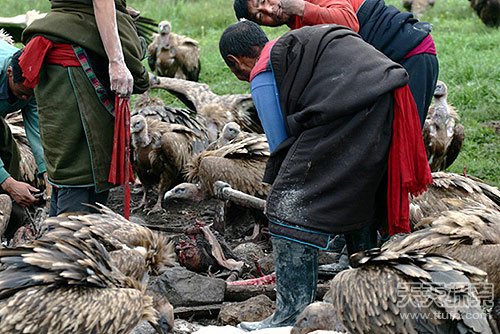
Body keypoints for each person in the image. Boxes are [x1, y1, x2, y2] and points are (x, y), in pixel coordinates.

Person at [219, 20, 432, 330]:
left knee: (286, 206)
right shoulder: (296, 44)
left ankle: (291, 313)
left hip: (353, 104)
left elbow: (279, 146)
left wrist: (286, 193)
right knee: (359, 195)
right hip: (387, 95)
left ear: (235, 63)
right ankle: (364, 297)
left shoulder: (264, 71)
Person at [18, 0, 150, 216]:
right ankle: (73, 241)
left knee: (73, 158)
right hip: (78, 52)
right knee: (79, 165)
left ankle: (63, 237)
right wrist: (117, 61)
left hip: (65, 45)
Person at [233, 0, 439, 127]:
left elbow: (349, 23)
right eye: (261, 15)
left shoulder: (307, 6)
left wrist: (301, 6)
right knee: (384, 135)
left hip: (412, 53)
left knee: (404, 138)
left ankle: (412, 196)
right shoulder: (298, 30)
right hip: (390, 67)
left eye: (265, 0)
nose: (270, 10)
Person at [0, 40, 48, 238]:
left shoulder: (31, 80)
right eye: (21, 93)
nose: (24, 99)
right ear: (10, 73)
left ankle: (8, 210)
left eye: (29, 95)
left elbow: (37, 131)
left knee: (8, 148)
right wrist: (8, 183)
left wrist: (47, 174)